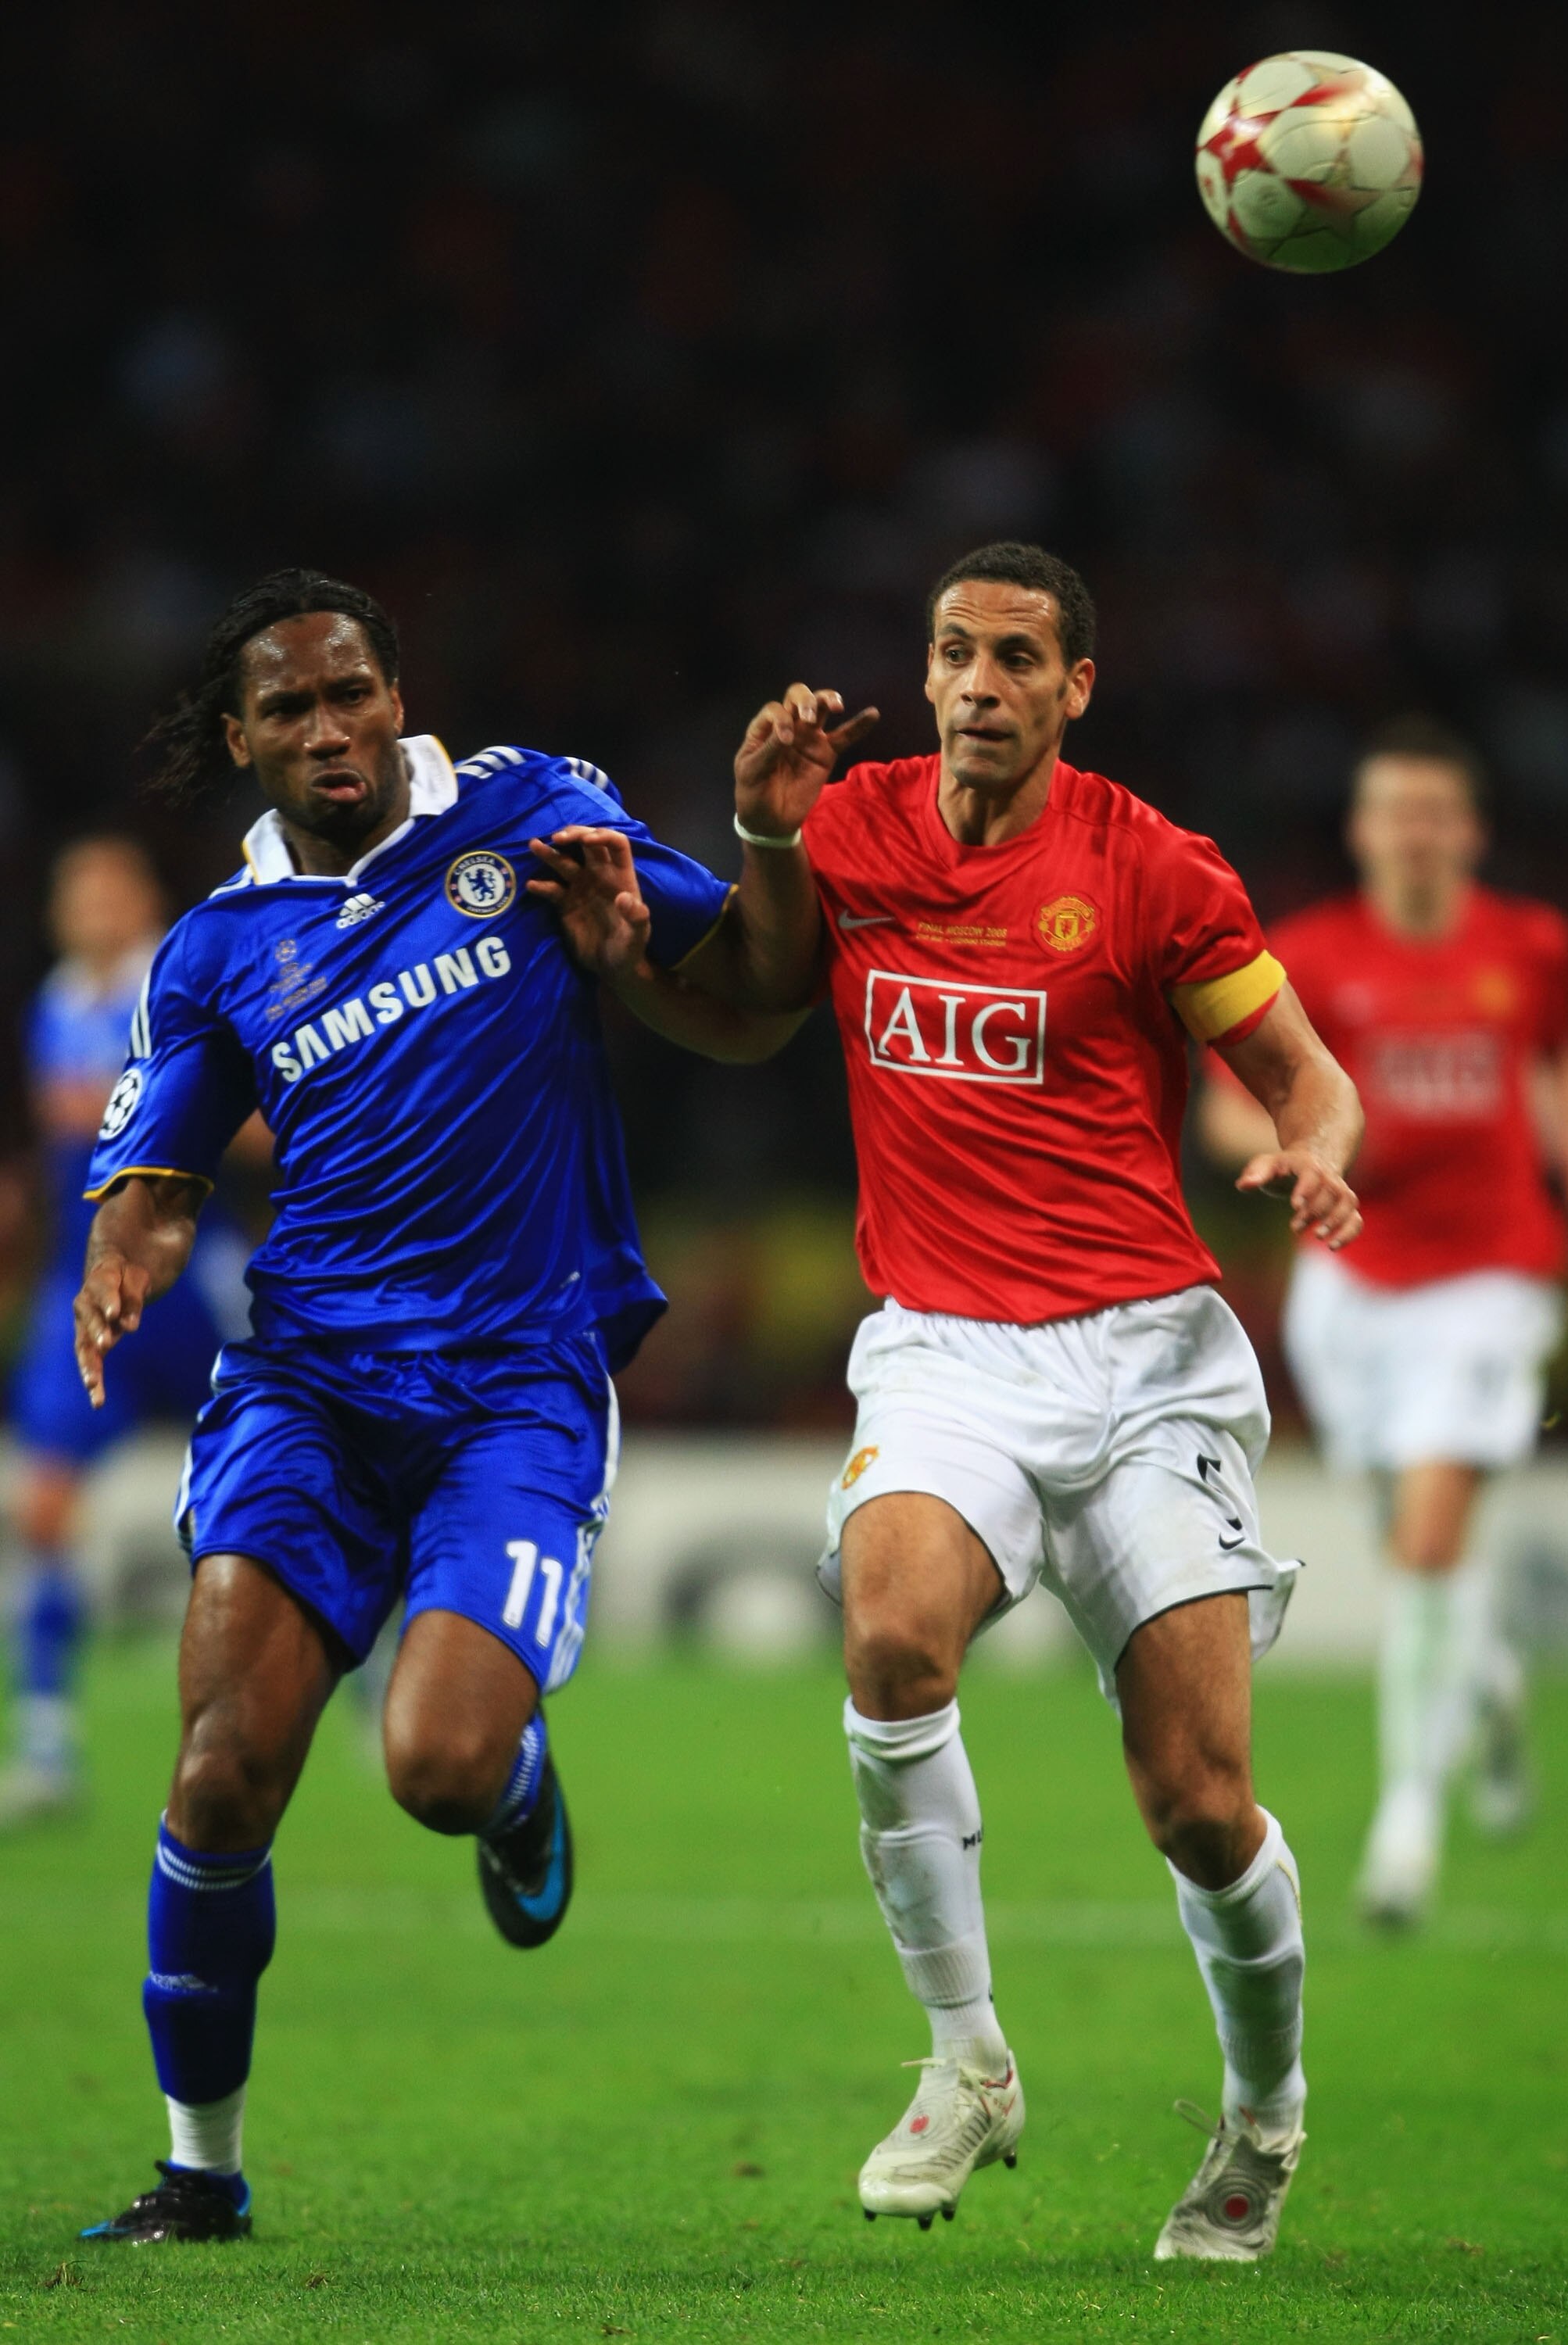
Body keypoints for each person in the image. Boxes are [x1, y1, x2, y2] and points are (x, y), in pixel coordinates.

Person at [538, 539, 1364, 2263]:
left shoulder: (1150, 869)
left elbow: (1304, 1077)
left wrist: (1311, 1155)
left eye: (1015, 658)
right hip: (942, 1349)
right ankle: (966, 2060)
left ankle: (1263, 2115)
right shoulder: (852, 828)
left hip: (1141, 1362)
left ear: (1075, 687)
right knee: (891, 1639)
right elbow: (753, 1013)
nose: (978, 684)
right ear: (922, 673)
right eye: (951, 653)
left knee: (1198, 1803)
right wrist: (737, 856)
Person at [73, 565, 797, 2245]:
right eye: (289, 707)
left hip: (512, 1385)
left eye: (352, 693)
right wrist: (128, 1249)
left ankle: (514, 1778)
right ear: (240, 740)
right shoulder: (217, 948)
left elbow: (762, 982)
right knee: (219, 1775)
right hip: (308, 1388)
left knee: (437, 1768)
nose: (329, 729)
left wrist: (725, 876)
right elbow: (158, 1169)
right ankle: (199, 2174)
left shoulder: (533, 817)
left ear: (398, 697)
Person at [1199, 718, 1568, 1927]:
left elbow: (1557, 1061)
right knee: (1410, 1544)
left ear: (1468, 832)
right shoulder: (1310, 956)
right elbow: (1228, 1104)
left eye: (1436, 814)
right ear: (1362, 831)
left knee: (1428, 1543)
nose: (1416, 835)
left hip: (1492, 1276)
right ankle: (1489, 1683)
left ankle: (1406, 1827)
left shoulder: (1529, 946)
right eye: (1395, 813)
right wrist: (1290, 1155)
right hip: (1353, 1280)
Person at [2, 839, 252, 1826]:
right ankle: (47, 1743)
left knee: (295, 1467)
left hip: (190, 1279)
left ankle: (367, 1680)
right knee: (46, 1506)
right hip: (84, 1284)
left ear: (145, 900)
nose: (93, 906)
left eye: (109, 888)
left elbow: (255, 1124)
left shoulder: (184, 982)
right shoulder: (54, 1005)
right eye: (77, 892)